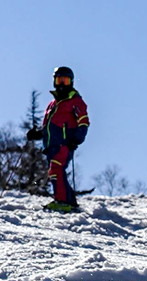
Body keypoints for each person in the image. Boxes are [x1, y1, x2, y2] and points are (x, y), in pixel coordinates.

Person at [26, 66, 90, 212]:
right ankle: (70, 201)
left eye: (65, 81)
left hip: (65, 143)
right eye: (59, 80)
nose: (62, 85)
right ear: (54, 82)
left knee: (56, 169)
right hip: (51, 144)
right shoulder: (53, 104)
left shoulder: (75, 101)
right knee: (56, 170)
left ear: (71, 83)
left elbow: (84, 121)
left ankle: (61, 201)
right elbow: (50, 127)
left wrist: (77, 139)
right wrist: (37, 134)